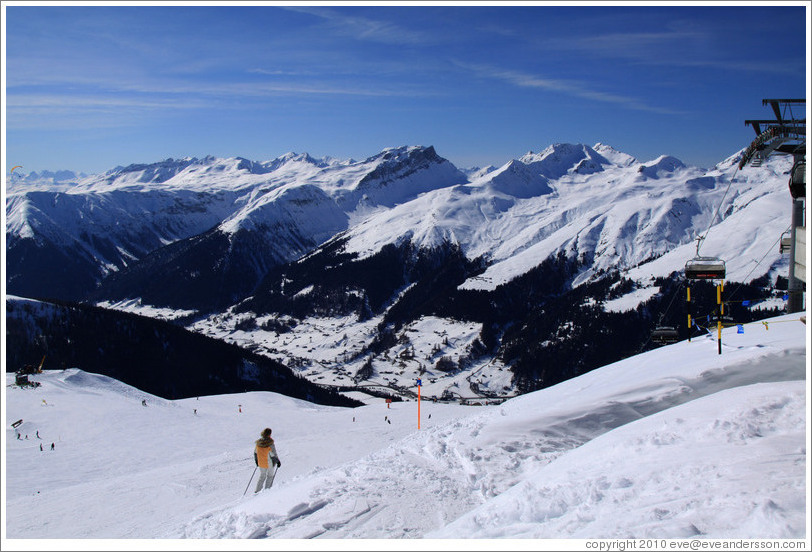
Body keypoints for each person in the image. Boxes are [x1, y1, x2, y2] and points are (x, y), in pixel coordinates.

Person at [254, 428, 281, 493]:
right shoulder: (270, 443)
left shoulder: (258, 443)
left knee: (262, 476)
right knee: (270, 476)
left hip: (261, 463)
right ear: (269, 434)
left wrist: (257, 462)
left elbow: (255, 453)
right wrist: (278, 461)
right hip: (269, 462)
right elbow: (273, 454)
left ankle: (257, 491)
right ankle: (267, 491)